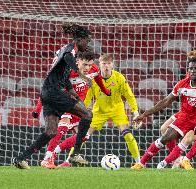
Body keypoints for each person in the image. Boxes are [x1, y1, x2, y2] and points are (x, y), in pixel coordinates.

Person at [13, 24, 94, 169]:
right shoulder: (70, 51)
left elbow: (63, 76)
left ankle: (21, 158)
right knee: (87, 115)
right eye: (87, 41)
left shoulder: (65, 50)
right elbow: (68, 58)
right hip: (54, 92)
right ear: (80, 39)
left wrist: (72, 92)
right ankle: (76, 154)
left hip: (46, 93)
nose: (87, 44)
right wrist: (83, 75)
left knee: (51, 131)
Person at [131, 57, 196, 171]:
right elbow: (165, 102)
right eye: (190, 68)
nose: (193, 71)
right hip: (185, 117)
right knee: (164, 139)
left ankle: (186, 159)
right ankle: (141, 164)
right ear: (187, 70)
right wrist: (145, 114)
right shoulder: (182, 84)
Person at [56, 53, 142, 167]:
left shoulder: (119, 78)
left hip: (117, 109)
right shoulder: (93, 79)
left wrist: (135, 112)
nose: (106, 66)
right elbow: (86, 98)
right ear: (99, 65)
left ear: (112, 65)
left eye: (109, 63)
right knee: (83, 135)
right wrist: (80, 112)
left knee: (128, 135)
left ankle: (138, 162)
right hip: (99, 110)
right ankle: (68, 161)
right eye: (103, 63)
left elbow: (129, 96)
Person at [31, 51, 111, 169]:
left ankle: (56, 154)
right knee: (61, 128)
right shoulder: (67, 72)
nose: (88, 68)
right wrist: (37, 109)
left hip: (79, 107)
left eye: (90, 65)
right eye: (85, 65)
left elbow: (98, 78)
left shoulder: (93, 69)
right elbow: (48, 89)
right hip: (64, 104)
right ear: (77, 62)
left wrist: (105, 90)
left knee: (84, 136)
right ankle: (47, 159)